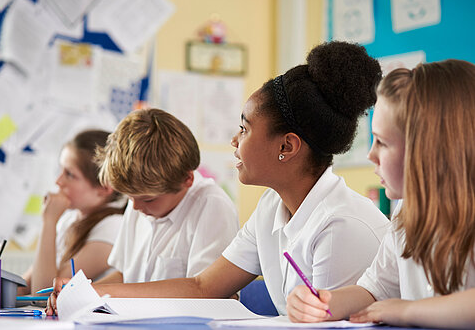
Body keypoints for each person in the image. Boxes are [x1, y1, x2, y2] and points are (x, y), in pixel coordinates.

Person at [47, 41, 388, 316]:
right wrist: (94, 292)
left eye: (245, 128)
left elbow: (325, 326)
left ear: (286, 146)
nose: (234, 140)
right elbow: (204, 286)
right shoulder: (272, 206)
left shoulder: (340, 225)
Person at [286, 59, 475, 329]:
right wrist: (323, 303)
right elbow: (374, 291)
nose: (370, 155)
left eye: (383, 142)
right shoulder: (406, 212)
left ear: (431, 150)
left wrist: (408, 311)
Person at [85, 108, 238, 286]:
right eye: (129, 197)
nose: (135, 207)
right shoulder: (140, 202)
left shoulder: (211, 205)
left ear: (187, 179)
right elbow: (124, 275)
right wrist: (85, 293)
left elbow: (207, 292)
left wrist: (102, 293)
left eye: (148, 199)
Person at [19, 130, 127, 295]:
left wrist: (49, 222)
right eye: (61, 170)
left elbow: (44, 293)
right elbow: (25, 284)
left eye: (69, 174)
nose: (58, 181)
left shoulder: (113, 227)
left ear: (103, 189)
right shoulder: (70, 219)